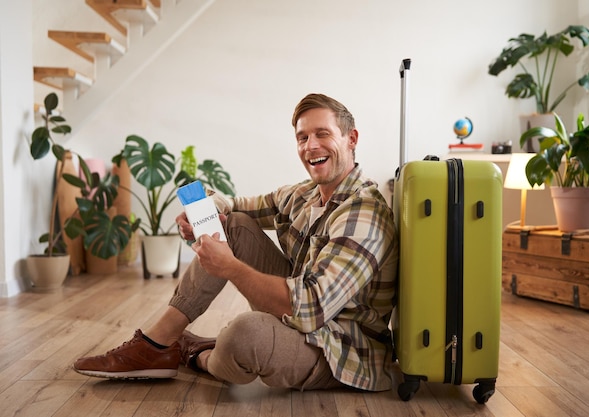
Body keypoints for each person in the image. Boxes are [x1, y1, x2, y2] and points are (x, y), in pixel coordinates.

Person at [73, 93, 399, 392]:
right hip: (303, 320)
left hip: (340, 351)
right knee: (237, 226)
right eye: (302, 137)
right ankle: (157, 344)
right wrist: (207, 213)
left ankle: (195, 353)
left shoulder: (363, 212)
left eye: (322, 134)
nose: (310, 146)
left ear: (351, 138)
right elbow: (236, 203)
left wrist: (230, 267)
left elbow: (312, 308)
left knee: (246, 335)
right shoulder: (304, 195)